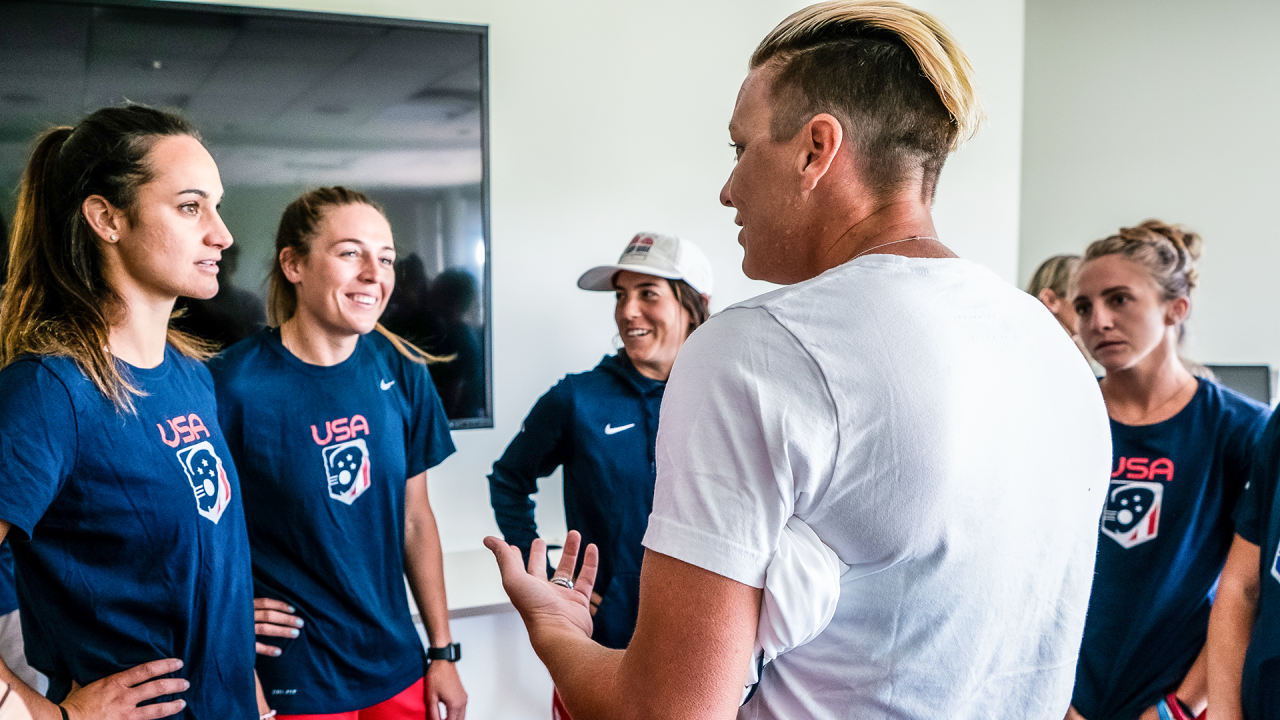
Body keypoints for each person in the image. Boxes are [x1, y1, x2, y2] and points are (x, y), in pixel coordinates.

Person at [484, 2, 1111, 719]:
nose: (727, 190)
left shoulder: (760, 348)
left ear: (817, 149)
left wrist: (555, 628)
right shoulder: (1052, 350)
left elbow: (664, 713)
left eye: (740, 148)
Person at [0, 105, 258, 718]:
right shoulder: (48, 390)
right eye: (191, 207)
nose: (221, 234)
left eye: (216, 207)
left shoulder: (192, 377)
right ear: (106, 218)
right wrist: (54, 715)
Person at [208, 186, 468, 720]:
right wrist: (227, 614)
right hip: (293, 675)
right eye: (351, 252)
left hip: (396, 664)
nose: (376, 273)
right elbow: (202, 531)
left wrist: (442, 652)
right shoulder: (230, 385)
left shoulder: (401, 371)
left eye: (387, 258)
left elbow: (415, 520)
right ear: (294, 264)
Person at [1068, 221, 1270, 720]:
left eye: (1119, 300)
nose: (1099, 321)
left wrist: (1177, 708)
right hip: (1059, 692)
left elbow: (1245, 590)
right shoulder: (1062, 417)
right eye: (1084, 306)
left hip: (1172, 700)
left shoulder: (1242, 428)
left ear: (1175, 309)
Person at [488, 231, 712, 651]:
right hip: (606, 638)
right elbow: (508, 481)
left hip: (706, 636)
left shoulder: (723, 398)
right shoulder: (577, 400)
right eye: (620, 296)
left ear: (695, 305)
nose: (628, 311)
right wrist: (550, 576)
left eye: (648, 294)